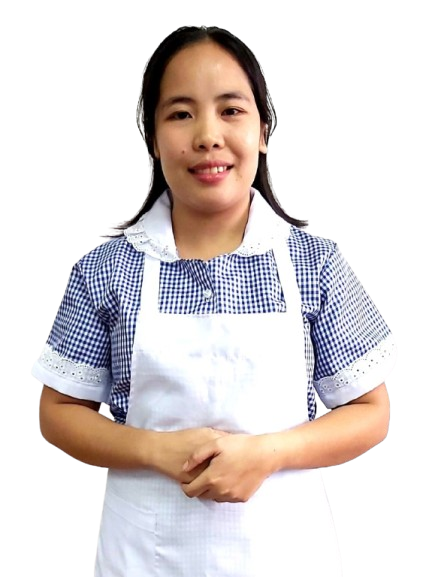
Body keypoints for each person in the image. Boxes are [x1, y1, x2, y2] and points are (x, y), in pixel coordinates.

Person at [32, 24, 398, 576]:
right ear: (153, 139)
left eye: (231, 110)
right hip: (145, 560)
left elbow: (371, 413)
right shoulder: (106, 269)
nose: (208, 136)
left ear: (264, 130)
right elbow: (58, 413)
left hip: (286, 555)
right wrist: (156, 450)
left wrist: (269, 452)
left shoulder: (315, 263)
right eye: (181, 113)